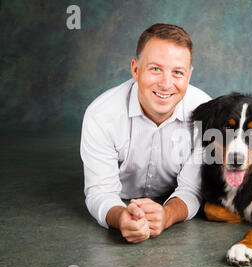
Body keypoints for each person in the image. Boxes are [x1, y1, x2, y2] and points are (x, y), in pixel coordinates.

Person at [80, 23, 211, 243]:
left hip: (172, 198)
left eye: (177, 72)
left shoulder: (206, 113)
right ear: (135, 69)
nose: (166, 84)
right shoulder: (100, 115)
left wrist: (167, 215)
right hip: (120, 199)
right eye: (155, 69)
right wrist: (120, 216)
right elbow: (99, 192)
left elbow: (193, 189)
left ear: (188, 76)